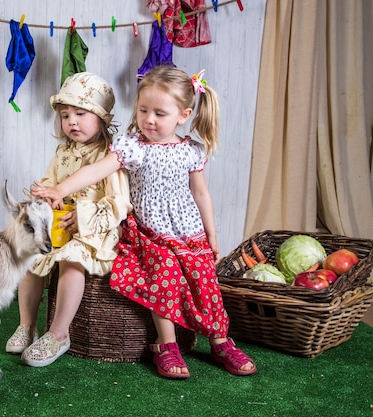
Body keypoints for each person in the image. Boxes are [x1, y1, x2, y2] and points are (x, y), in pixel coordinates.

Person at [32, 65, 257, 378]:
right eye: (143, 110)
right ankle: (166, 345)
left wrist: (212, 235)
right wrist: (59, 189)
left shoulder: (191, 150)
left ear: (183, 114)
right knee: (162, 277)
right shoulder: (132, 146)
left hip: (188, 232)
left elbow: (202, 194)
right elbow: (94, 171)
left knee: (205, 280)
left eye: (160, 114)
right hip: (150, 234)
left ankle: (220, 340)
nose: (149, 119)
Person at [6, 72, 132, 367]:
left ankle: (59, 334)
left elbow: (118, 203)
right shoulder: (63, 152)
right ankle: (27, 325)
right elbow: (54, 182)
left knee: (71, 259)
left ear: (101, 118)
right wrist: (48, 195)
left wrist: (83, 216)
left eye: (80, 113)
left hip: (94, 230)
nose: (71, 121)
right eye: (65, 115)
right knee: (31, 257)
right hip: (60, 225)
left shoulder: (110, 156)